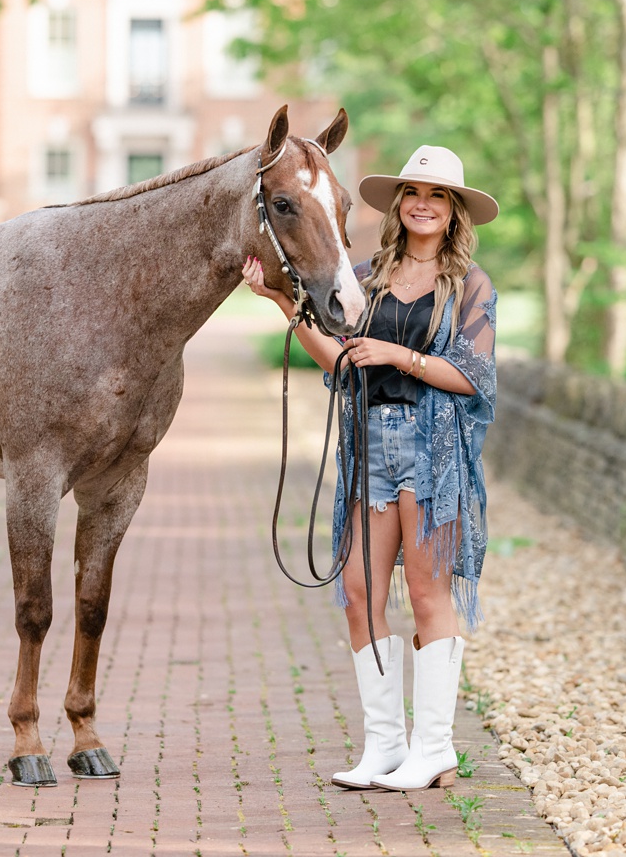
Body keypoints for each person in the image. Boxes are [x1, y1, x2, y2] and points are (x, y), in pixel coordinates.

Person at [242, 144, 498, 791]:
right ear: (399, 204)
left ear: (454, 210)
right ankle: (385, 745)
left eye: (437, 195)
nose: (423, 204)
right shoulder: (367, 278)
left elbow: (474, 378)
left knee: (426, 592)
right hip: (370, 444)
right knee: (358, 592)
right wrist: (281, 302)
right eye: (414, 193)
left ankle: (434, 747)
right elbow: (340, 363)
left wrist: (396, 354)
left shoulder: (469, 286)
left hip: (432, 448)